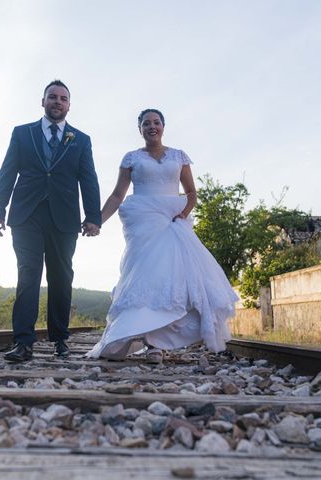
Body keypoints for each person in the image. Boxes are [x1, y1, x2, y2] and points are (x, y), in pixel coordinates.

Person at [87, 108, 238, 363]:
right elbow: (117, 196)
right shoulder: (131, 158)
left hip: (171, 222)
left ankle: (157, 343)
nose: (151, 127)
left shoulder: (179, 156)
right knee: (144, 278)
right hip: (143, 224)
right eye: (146, 124)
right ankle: (146, 339)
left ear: (163, 126)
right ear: (140, 129)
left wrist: (183, 214)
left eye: (156, 122)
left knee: (170, 279)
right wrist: (97, 222)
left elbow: (191, 193)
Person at [0, 80, 101, 362]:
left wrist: (93, 217)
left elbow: (88, 179)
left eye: (63, 98)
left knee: (61, 277)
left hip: (64, 218)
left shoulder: (81, 139)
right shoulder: (22, 133)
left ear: (69, 105)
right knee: (28, 275)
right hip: (26, 215)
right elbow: (7, 172)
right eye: (53, 97)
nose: (58, 102)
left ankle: (60, 339)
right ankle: (23, 342)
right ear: (43, 102)